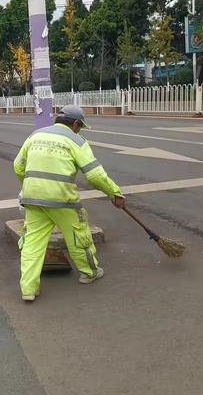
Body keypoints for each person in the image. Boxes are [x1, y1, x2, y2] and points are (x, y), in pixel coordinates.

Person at [14, 105, 125, 301]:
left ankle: (28, 289)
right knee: (78, 236)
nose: (80, 130)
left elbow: (18, 166)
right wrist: (114, 193)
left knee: (32, 242)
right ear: (75, 124)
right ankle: (89, 273)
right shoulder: (76, 140)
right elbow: (95, 175)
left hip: (32, 198)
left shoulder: (35, 135)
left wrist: (34, 185)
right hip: (62, 200)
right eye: (80, 126)